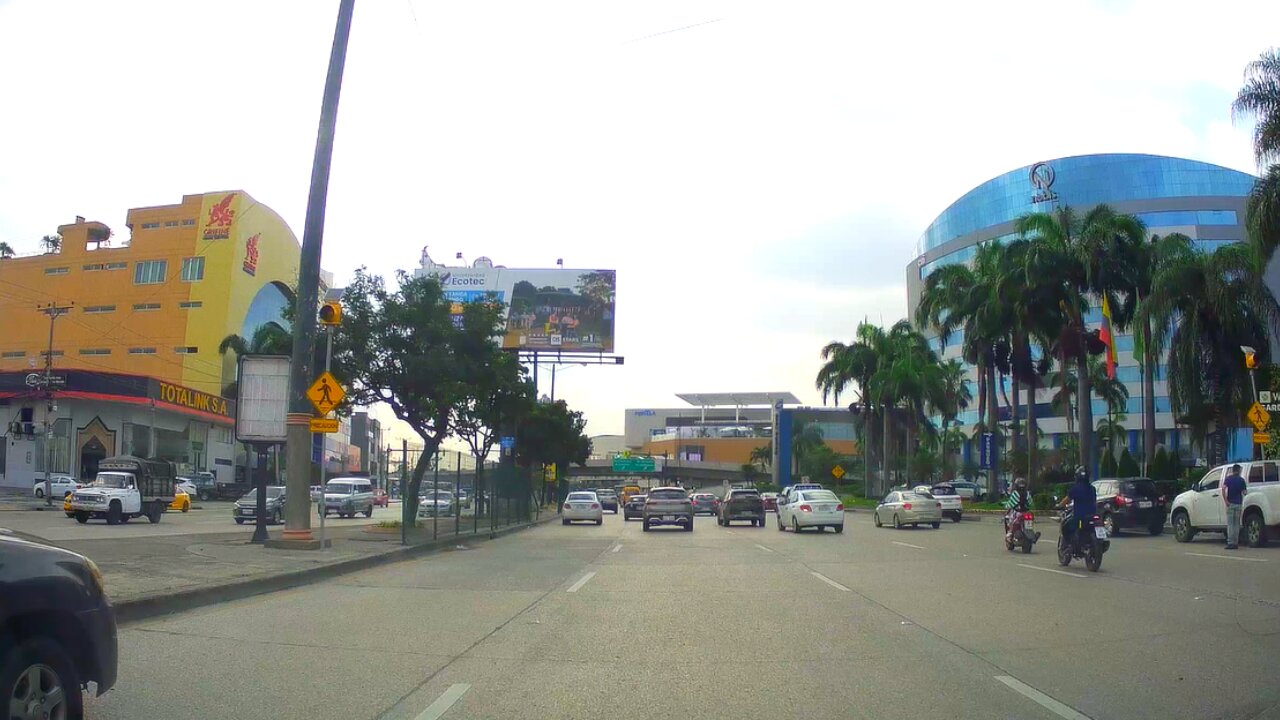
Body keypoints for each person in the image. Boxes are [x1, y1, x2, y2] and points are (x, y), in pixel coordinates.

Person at [1060, 466, 1097, 553]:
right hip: (1092, 516)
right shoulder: (1092, 489)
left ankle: (1069, 545)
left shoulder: (1075, 489)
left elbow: (1066, 500)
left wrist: (1059, 505)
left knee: (1065, 526)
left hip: (1080, 517)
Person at [1223, 463, 1247, 549]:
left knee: (1230, 524)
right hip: (1238, 504)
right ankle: (1235, 542)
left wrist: (1226, 500)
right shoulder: (1241, 480)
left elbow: (1223, 488)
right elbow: (1244, 492)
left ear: (1233, 470)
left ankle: (1230, 543)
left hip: (1230, 503)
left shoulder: (1228, 479)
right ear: (1239, 470)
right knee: (1236, 524)